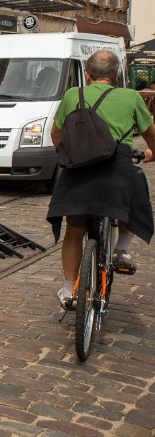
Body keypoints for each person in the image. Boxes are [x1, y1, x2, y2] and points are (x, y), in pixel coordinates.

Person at [47, 50, 155, 310]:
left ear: (87, 74)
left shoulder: (74, 94)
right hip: (116, 172)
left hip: (78, 175)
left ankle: (67, 290)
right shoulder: (131, 97)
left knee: (74, 232)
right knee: (133, 183)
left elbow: (56, 134)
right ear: (116, 75)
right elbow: (151, 135)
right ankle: (123, 248)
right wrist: (150, 154)